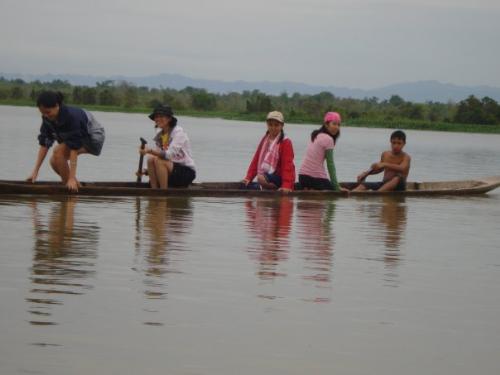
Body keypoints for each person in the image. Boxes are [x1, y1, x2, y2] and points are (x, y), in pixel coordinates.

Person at [27, 91, 105, 192]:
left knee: (58, 152)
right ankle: (75, 187)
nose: (45, 115)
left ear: (57, 106)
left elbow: (74, 148)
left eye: (48, 112)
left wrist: (71, 177)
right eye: (43, 113)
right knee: (53, 162)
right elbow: (44, 144)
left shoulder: (71, 117)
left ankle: (70, 190)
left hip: (93, 138)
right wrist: (35, 171)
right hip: (78, 139)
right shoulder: (47, 119)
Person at [138, 105, 196, 189]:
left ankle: (163, 193)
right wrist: (144, 171)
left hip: (185, 173)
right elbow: (157, 154)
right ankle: (154, 191)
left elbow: (168, 155)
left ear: (169, 119)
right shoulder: (160, 134)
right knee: (151, 159)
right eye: (156, 117)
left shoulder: (179, 133)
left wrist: (149, 150)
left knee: (160, 161)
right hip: (169, 170)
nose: (158, 119)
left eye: (161, 116)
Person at [241, 111, 295, 193]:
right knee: (245, 185)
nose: (273, 128)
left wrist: (286, 186)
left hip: (279, 178)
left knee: (261, 178)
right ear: (267, 125)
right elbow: (256, 159)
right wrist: (248, 177)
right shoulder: (265, 139)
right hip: (267, 177)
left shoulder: (286, 142)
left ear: (282, 125)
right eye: (270, 125)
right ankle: (266, 188)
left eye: (276, 125)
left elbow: (287, 166)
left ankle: (272, 188)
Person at [298, 111, 347, 191]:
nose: (337, 127)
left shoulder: (316, 135)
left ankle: (306, 188)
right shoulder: (329, 139)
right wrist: (336, 187)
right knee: (333, 193)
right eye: (334, 124)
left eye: (338, 125)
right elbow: (330, 165)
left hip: (302, 177)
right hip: (315, 179)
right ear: (326, 124)